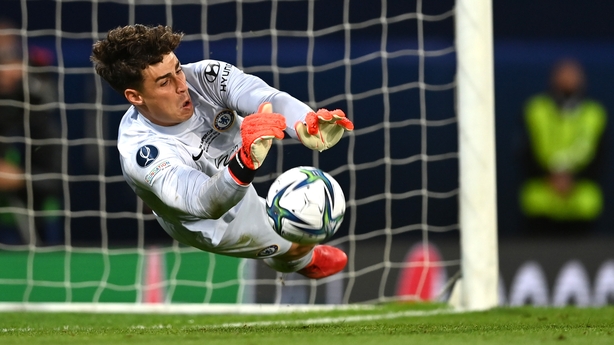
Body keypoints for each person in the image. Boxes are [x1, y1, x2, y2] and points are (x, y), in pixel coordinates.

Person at [90, 24, 354, 279]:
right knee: (298, 242)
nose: (182, 85)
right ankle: (301, 261)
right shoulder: (141, 152)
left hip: (235, 175)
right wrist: (245, 162)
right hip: (206, 223)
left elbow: (265, 97)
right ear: (136, 96)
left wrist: (303, 122)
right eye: (164, 83)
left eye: (178, 69)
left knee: (289, 221)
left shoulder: (204, 77)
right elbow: (204, 202)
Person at [519, 58, 607, 235]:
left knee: (589, 201)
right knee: (533, 200)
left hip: (580, 191)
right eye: (563, 75)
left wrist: (572, 178)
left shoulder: (595, 114)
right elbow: (523, 153)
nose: (567, 80)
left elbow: (600, 158)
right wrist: (549, 177)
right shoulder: (535, 110)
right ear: (552, 79)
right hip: (542, 188)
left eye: (572, 76)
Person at [0, 18, 62, 245]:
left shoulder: (37, 111)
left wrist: (19, 178)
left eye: (9, 56)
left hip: (32, 226)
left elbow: (57, 178)